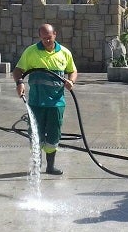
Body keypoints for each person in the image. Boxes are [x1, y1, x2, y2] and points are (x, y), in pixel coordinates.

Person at [12, 23, 78, 175]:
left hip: (56, 103)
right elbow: (18, 70)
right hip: (36, 102)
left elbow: (72, 70)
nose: (47, 41)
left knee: (54, 135)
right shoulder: (31, 52)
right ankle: (36, 166)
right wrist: (19, 83)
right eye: (43, 39)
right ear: (39, 37)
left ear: (55, 34)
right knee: (36, 134)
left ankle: (50, 166)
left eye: (49, 38)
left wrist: (71, 81)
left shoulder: (64, 53)